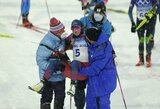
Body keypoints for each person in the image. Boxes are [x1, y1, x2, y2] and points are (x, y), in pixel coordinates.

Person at [71, 28, 117, 109]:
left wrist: (79, 71)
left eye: (87, 39)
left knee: (101, 105)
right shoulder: (98, 41)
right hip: (94, 82)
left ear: (92, 40)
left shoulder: (103, 51)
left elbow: (95, 69)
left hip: (103, 83)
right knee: (91, 104)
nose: (85, 39)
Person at [29, 17, 69, 109]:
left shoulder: (60, 39)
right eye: (62, 30)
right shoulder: (47, 42)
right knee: (46, 100)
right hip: (48, 78)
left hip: (61, 77)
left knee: (60, 100)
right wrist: (55, 68)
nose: (64, 31)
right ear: (57, 32)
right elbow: (40, 60)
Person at [128, 0, 160, 67]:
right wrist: (133, 23)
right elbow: (129, 11)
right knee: (141, 40)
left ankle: (148, 59)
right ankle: (141, 60)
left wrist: (155, 13)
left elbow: (158, 6)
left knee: (148, 40)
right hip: (140, 21)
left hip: (150, 21)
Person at [65, 19, 88, 109]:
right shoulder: (72, 37)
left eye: (77, 27)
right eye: (73, 28)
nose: (75, 30)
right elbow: (63, 45)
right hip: (78, 67)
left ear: (81, 28)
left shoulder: (86, 36)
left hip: (89, 66)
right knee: (79, 89)